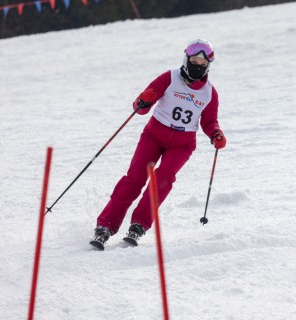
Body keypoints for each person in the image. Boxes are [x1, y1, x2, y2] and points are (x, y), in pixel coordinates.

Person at [90, 39, 226, 250]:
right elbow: (141, 105)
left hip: (182, 144)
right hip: (153, 136)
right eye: (193, 60)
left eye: (201, 62)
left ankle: (139, 224)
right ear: (186, 59)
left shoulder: (210, 93)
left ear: (208, 66)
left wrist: (216, 133)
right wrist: (144, 100)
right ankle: (105, 225)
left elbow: (209, 122)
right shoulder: (170, 78)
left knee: (163, 179)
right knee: (134, 179)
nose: (196, 65)